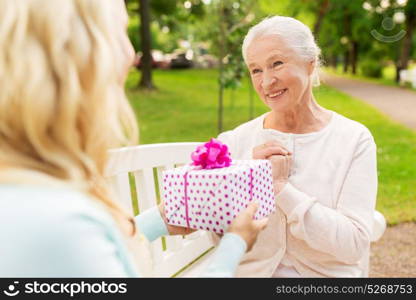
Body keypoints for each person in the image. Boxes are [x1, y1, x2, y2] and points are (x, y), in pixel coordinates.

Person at [0, 0, 268, 277]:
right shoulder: (62, 227)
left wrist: (159, 220)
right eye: (120, 33)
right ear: (77, 56)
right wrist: (234, 243)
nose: (130, 55)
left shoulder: (29, 198)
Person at [215, 16, 378, 277]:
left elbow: (353, 245)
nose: (266, 82)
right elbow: (218, 239)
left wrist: (280, 188)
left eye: (276, 64)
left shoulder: (353, 139)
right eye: (256, 70)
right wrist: (247, 183)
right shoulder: (234, 143)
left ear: (310, 63)